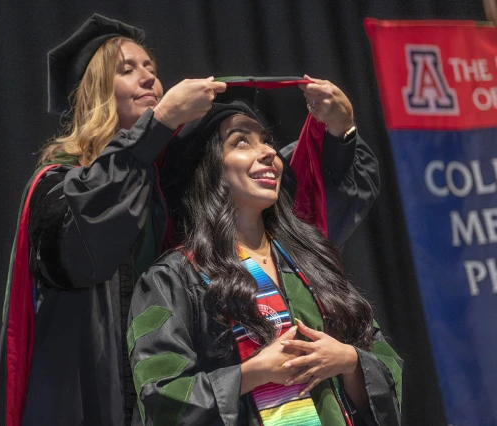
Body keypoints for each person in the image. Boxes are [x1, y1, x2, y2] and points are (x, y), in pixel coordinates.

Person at [0, 13, 380, 426]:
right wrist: (158, 125)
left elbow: (285, 192)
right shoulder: (59, 186)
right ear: (94, 93)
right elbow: (87, 251)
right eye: (127, 70)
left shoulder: (168, 183)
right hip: (90, 389)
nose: (148, 79)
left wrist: (340, 132)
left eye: (151, 70)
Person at [128, 102, 402, 425]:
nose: (269, 152)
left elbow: (385, 361)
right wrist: (251, 374)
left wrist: (350, 361)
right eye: (241, 141)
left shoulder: (311, 262)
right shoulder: (172, 279)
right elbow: (160, 399)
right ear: (210, 167)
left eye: (266, 140)